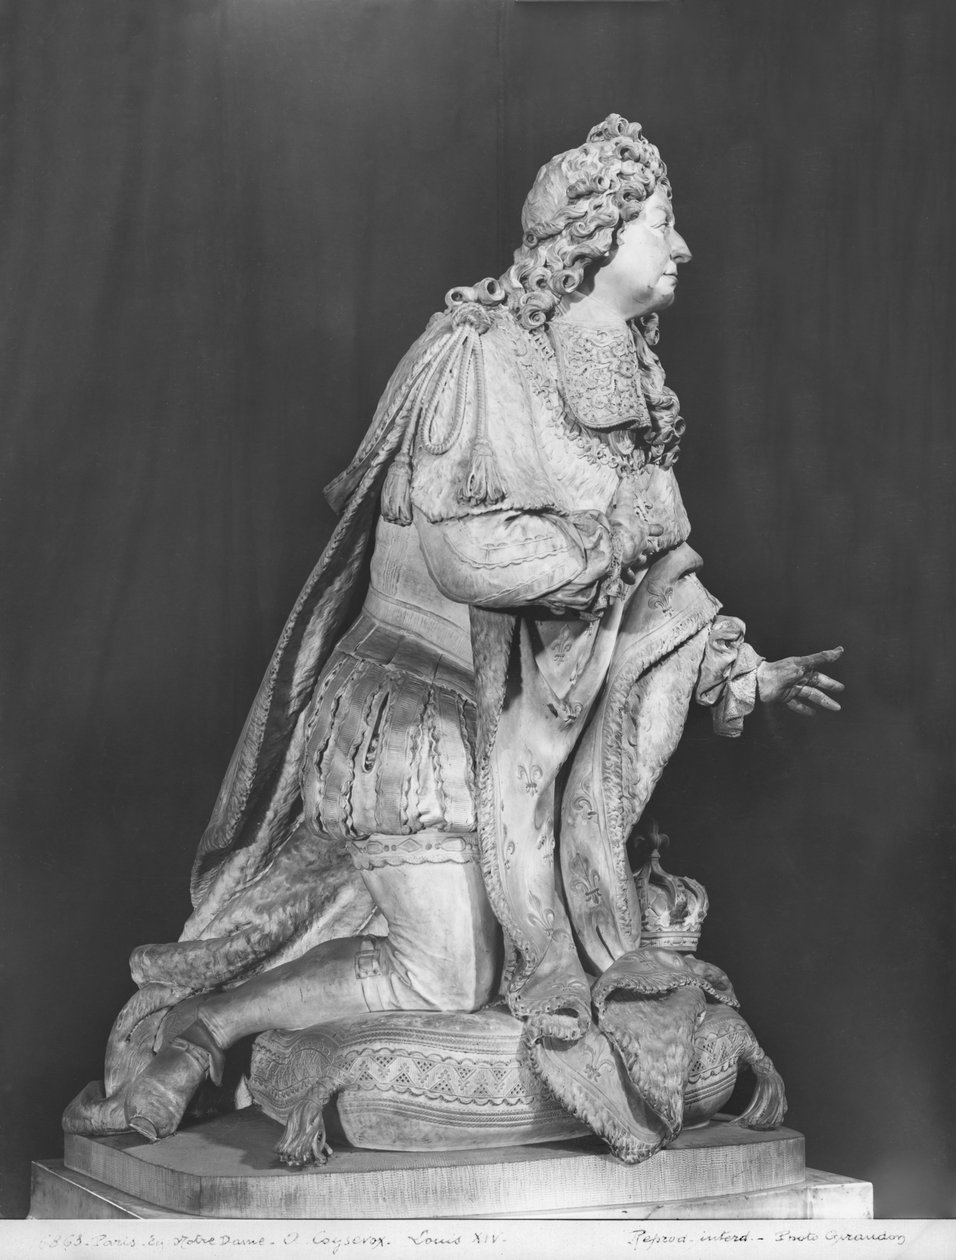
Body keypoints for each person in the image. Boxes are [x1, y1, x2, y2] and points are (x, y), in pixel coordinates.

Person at [64, 114, 843, 1158]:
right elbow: (468, 554)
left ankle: (294, 1048)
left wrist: (735, 672)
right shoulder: (475, 359)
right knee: (447, 975)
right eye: (662, 224)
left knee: (500, 974)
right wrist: (611, 540)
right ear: (596, 234)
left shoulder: (628, 380)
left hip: (514, 727)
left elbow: (662, 572)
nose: (682, 248)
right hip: (416, 706)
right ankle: (200, 1034)